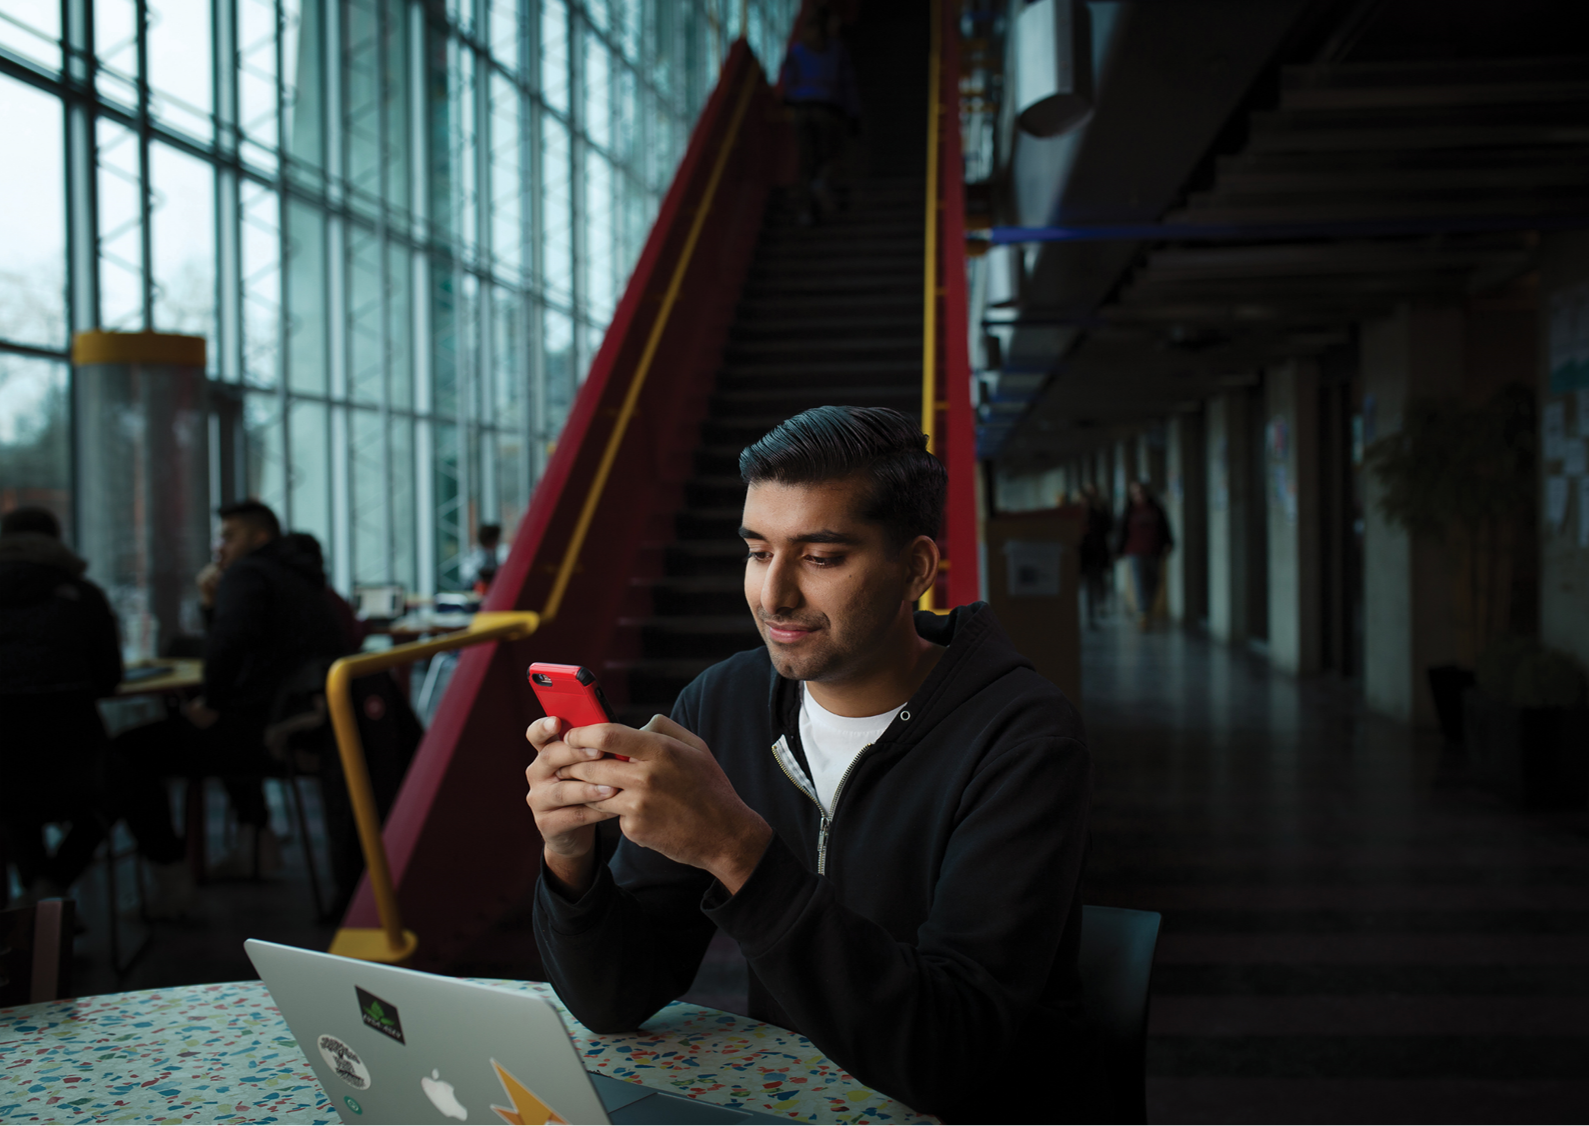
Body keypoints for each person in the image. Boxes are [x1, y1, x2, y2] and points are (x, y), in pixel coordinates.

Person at [529, 406, 1094, 1123]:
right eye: (758, 551)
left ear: (915, 567)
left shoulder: (1022, 739)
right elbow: (615, 1000)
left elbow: (947, 1056)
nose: (773, 595)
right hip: (800, 1102)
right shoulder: (722, 703)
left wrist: (737, 851)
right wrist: (570, 856)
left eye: (820, 557)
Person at [113, 500, 345, 880]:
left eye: (228, 536)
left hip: (269, 735)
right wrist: (210, 605)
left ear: (260, 537)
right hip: (303, 727)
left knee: (127, 752)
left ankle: (171, 873)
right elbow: (242, 643)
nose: (218, 547)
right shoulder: (301, 577)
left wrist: (212, 701)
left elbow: (229, 644)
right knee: (214, 725)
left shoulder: (248, 574)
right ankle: (256, 840)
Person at [0, 507, 121, 903]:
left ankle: (38, 900)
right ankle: (50, 886)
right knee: (120, 788)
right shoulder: (84, 596)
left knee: (15, 794)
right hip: (76, 759)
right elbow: (108, 678)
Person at [779, 4, 860, 225]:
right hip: (828, 110)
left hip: (801, 109)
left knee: (806, 161)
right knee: (830, 156)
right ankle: (822, 184)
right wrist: (853, 114)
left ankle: (805, 211)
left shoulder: (797, 50)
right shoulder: (836, 50)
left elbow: (787, 80)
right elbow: (847, 84)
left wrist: (792, 99)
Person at [1114, 480, 1174, 629]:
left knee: (1154, 581)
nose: (1138, 495)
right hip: (1135, 551)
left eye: (1141, 492)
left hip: (1154, 550)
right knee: (1140, 582)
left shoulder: (1156, 509)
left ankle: (1147, 610)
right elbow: (1122, 531)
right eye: (1135, 493)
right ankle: (1143, 613)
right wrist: (1118, 550)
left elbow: (1165, 528)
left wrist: (1169, 543)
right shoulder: (1129, 510)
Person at [1078, 482, 1114, 628]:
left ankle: (1098, 607)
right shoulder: (1076, 517)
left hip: (1096, 554)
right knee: (1088, 586)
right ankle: (1090, 615)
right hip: (1083, 556)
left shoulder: (1097, 513)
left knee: (1097, 582)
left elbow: (1107, 528)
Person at [460, 523, 505, 596]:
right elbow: (468, 575)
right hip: (477, 591)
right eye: (497, 539)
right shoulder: (477, 555)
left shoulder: (495, 554)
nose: (498, 542)